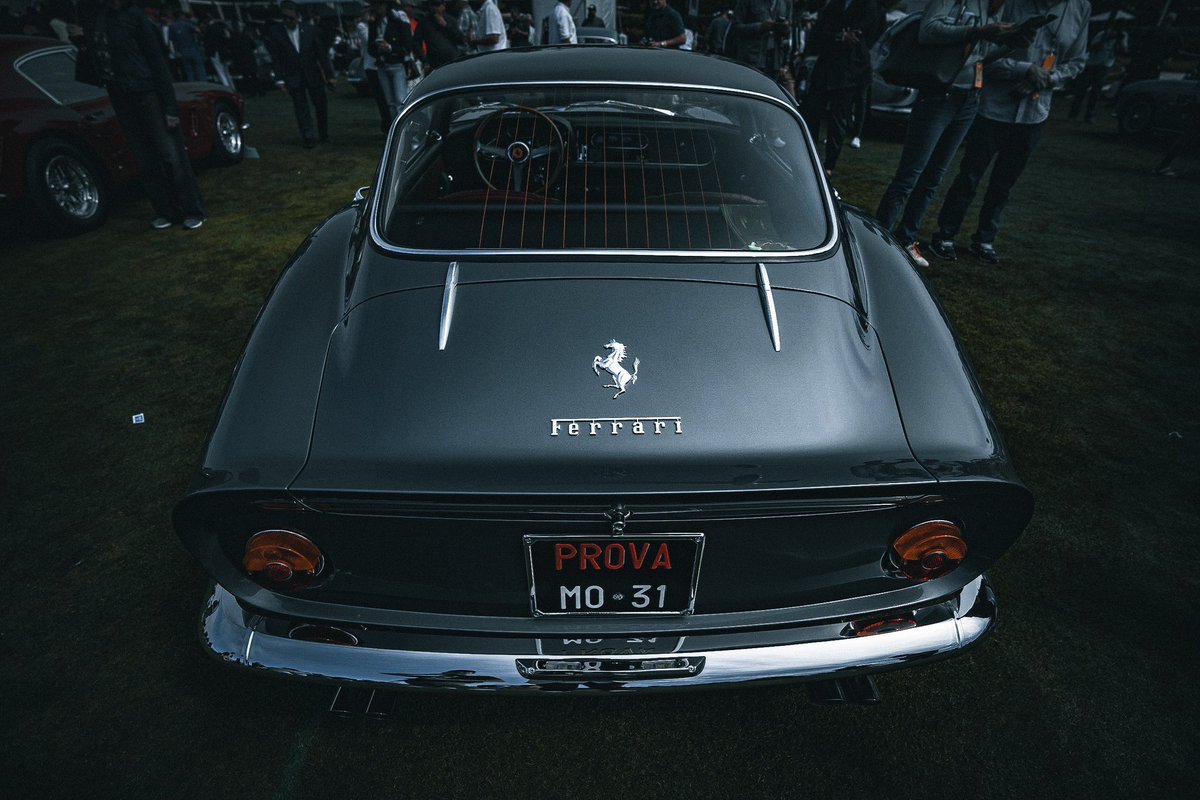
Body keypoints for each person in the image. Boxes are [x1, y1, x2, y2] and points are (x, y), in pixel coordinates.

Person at [931, 0, 1090, 264]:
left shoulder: (1080, 8)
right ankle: (945, 234)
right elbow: (983, 54)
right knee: (969, 176)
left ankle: (984, 238)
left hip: (1035, 110)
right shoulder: (1009, 4)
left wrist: (1047, 78)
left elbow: (1077, 59)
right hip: (993, 107)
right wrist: (1024, 70)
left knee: (1004, 183)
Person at [874, 0, 1018, 267]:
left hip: (970, 96)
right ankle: (878, 240)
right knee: (910, 175)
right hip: (939, 93)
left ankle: (906, 239)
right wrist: (978, 31)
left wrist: (1011, 42)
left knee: (934, 176)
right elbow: (927, 31)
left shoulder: (990, 6)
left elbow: (979, 57)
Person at [75, 0, 206, 229]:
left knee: (171, 156)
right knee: (144, 158)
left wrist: (169, 108)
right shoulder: (98, 18)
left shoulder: (134, 17)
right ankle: (166, 211)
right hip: (121, 95)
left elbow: (157, 62)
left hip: (147, 93)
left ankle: (192, 210)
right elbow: (96, 60)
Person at [800, 0, 882, 177]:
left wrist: (839, 36)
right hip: (828, 67)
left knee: (838, 118)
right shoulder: (835, 4)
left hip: (850, 71)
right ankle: (810, 155)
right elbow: (821, 31)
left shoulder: (868, 6)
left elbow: (866, 32)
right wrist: (839, 36)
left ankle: (829, 165)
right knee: (812, 111)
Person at [267, 0, 338, 148]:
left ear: (297, 17)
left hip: (313, 74)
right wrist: (279, 79)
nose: (287, 21)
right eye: (285, 18)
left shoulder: (310, 30)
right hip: (293, 76)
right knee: (301, 108)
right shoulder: (276, 33)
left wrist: (329, 75)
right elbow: (276, 58)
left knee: (320, 105)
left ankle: (323, 134)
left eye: (291, 18)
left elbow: (321, 55)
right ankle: (308, 137)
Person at [369, 0, 417, 122]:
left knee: (400, 100)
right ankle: (394, 127)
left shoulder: (397, 20)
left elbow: (407, 45)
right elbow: (370, 46)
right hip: (382, 65)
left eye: (380, 4)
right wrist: (377, 49)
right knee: (390, 102)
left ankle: (403, 128)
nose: (377, 7)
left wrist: (390, 48)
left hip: (397, 65)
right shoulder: (374, 22)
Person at [1068, 21, 1125, 123]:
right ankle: (1073, 114)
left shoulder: (1122, 36)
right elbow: (1093, 47)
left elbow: (1122, 51)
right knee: (1082, 90)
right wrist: (1106, 38)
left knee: (1096, 92)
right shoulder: (1102, 34)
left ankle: (1089, 116)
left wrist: (1119, 40)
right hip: (1092, 64)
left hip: (1105, 65)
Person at [730, 0, 791, 72]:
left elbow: (789, 30)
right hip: (751, 59)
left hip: (775, 62)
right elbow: (734, 27)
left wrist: (785, 28)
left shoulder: (786, 2)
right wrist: (759, 27)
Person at [419, 0, 466, 70]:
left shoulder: (450, 20)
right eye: (433, 5)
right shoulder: (424, 21)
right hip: (434, 63)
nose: (435, 8)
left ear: (443, 5)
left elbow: (460, 39)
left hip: (452, 59)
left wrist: (445, 25)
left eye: (437, 5)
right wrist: (424, 60)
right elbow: (416, 42)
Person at [169, 10, 205, 81]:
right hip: (192, 48)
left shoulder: (172, 26)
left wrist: (176, 52)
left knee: (189, 71)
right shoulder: (187, 24)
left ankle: (193, 86)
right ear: (181, 16)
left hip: (182, 51)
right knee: (199, 68)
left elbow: (172, 41)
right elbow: (198, 31)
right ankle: (204, 85)